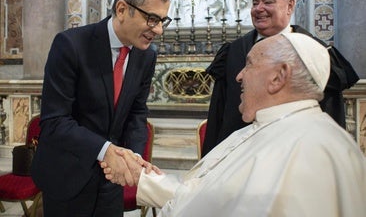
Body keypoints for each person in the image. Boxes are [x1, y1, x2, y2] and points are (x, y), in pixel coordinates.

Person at [102, 33, 366, 217]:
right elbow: (214, 196)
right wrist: (143, 178)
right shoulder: (269, 128)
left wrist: (141, 179)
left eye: (249, 64)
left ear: (278, 77)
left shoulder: (310, 150)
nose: (238, 75)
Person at [31, 0, 173, 217]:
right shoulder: (70, 45)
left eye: (163, 20)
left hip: (111, 182)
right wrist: (105, 149)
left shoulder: (146, 55)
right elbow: (55, 121)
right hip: (68, 177)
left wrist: (134, 159)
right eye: (152, 19)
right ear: (121, 9)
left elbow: (137, 112)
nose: (159, 29)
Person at [202, 0, 359, 157]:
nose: (259, 8)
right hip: (237, 158)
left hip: (295, 159)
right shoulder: (234, 51)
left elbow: (331, 114)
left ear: (290, 6)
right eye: (255, 3)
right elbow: (218, 113)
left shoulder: (314, 54)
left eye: (268, 2)